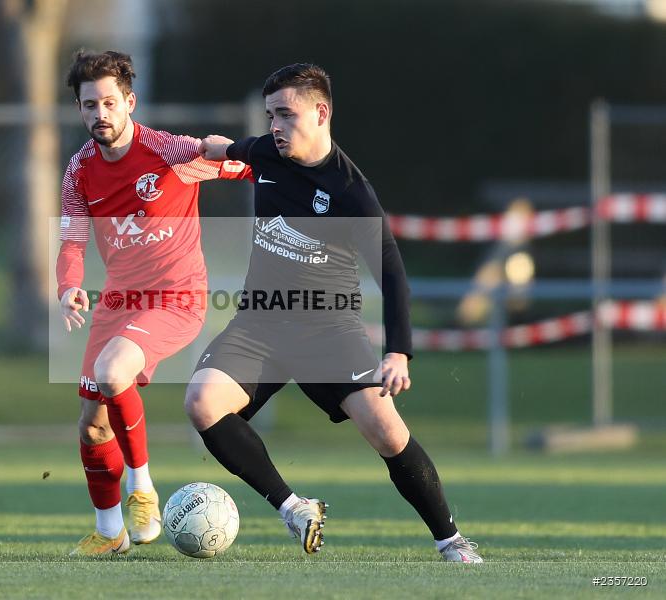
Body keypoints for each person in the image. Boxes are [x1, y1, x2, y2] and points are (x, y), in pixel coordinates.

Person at [189, 63, 483, 562]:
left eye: (286, 114)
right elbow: (218, 150)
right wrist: (172, 150)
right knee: (202, 402)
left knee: (386, 431)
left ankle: (451, 540)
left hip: (328, 329)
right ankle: (293, 508)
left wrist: (399, 353)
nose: (275, 126)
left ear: (321, 112)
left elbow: (393, 275)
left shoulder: (352, 194)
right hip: (261, 322)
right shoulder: (265, 152)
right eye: (270, 116)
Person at [57, 50, 250, 556]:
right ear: (79, 109)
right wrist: (67, 286)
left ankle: (143, 490)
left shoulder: (169, 152)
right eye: (89, 105)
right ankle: (109, 533)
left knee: (113, 370)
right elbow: (73, 242)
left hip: (176, 296)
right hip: (118, 301)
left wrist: (289, 169)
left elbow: (243, 167)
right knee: (92, 422)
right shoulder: (79, 171)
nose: (100, 113)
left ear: (129, 103)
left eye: (109, 103)